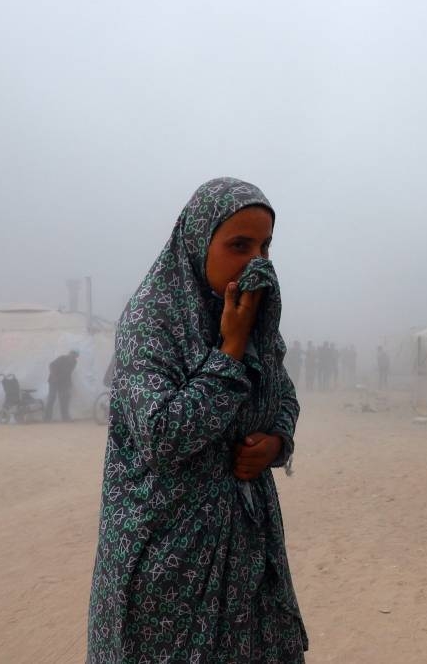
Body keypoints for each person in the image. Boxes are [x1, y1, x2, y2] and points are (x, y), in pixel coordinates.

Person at [87, 177, 307, 663]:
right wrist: (229, 350)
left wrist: (275, 443)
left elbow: (282, 393)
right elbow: (163, 436)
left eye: (265, 246)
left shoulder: (252, 315)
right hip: (167, 560)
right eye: (238, 245)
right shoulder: (152, 320)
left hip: (246, 551)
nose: (256, 262)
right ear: (197, 242)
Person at [44, 349, 78, 422]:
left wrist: (69, 384)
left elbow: (68, 373)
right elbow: (51, 365)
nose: (73, 356)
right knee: (51, 398)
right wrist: (54, 376)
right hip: (54, 381)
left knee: (64, 399)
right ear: (69, 353)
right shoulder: (62, 358)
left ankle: (65, 417)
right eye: (72, 354)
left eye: (75, 355)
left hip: (63, 382)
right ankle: (47, 418)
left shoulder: (74, 362)